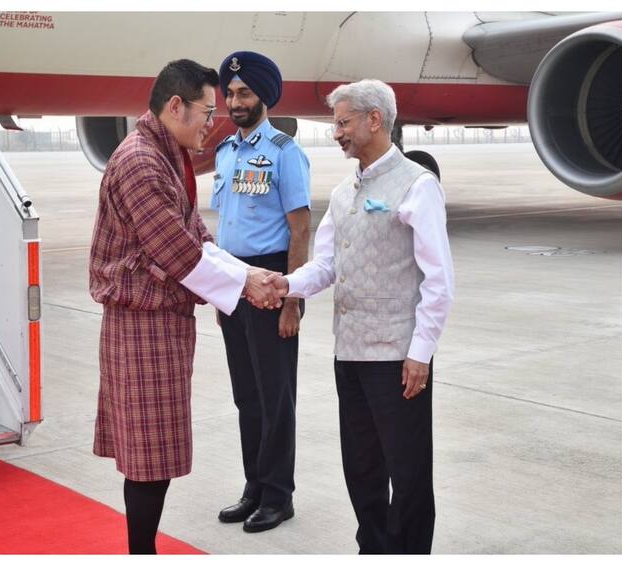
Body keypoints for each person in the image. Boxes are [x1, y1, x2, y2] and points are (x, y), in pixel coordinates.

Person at [89, 59, 280, 554]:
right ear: (176, 106)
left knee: (157, 453)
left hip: (161, 326)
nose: (212, 123)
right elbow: (177, 252)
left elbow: (195, 234)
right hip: (141, 327)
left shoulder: (165, 153)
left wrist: (246, 275)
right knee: (149, 457)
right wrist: (246, 283)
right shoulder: (139, 161)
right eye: (206, 111)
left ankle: (143, 549)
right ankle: (141, 553)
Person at [263, 79, 454, 554]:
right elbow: (327, 264)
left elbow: (439, 282)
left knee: (407, 474)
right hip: (348, 354)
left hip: (397, 359)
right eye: (335, 124)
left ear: (374, 120)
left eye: (343, 122)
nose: (336, 133)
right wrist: (286, 285)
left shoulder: (417, 185)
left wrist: (420, 354)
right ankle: (372, 549)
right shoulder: (345, 192)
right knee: (362, 468)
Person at [211, 51, 311, 533]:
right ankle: (253, 486)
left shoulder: (285, 152)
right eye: (230, 94)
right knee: (246, 396)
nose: (235, 101)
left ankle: (278, 495)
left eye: (244, 93)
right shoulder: (225, 152)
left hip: (272, 282)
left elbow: (300, 230)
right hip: (233, 283)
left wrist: (293, 300)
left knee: (276, 396)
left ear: (264, 97)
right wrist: (221, 292)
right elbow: (226, 227)